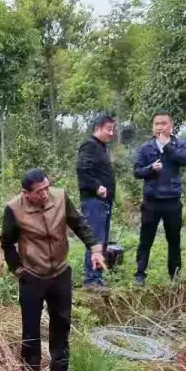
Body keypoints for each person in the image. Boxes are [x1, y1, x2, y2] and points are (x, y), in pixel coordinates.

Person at [0, 170, 105, 371]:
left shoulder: (60, 197)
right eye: (39, 192)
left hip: (60, 272)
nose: (46, 194)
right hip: (32, 275)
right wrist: (19, 270)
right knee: (30, 324)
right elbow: (7, 243)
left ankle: (60, 370)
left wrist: (94, 248)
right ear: (26, 193)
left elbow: (79, 223)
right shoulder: (13, 209)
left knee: (62, 321)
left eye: (47, 187)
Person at [133, 110, 186, 285]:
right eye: (156, 124)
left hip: (172, 200)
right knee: (146, 240)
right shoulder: (145, 148)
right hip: (151, 202)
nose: (159, 127)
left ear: (171, 126)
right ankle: (140, 274)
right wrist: (150, 169)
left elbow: (185, 160)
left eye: (163, 123)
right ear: (152, 127)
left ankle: (175, 275)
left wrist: (167, 145)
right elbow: (136, 171)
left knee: (174, 239)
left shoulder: (179, 144)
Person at [76, 113, 117, 289]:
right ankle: (90, 279)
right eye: (108, 129)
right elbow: (82, 169)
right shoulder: (89, 145)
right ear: (98, 128)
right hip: (93, 201)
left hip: (103, 202)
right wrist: (97, 186)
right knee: (95, 239)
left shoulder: (101, 147)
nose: (111, 133)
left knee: (102, 240)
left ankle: (97, 278)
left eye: (113, 130)